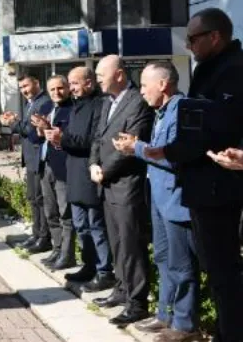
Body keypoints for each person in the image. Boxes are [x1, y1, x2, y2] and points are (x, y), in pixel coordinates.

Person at [145, 8, 243, 341]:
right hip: (204, 188)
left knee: (225, 274)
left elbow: (214, 128)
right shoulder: (209, 70)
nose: (188, 46)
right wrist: (168, 150)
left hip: (222, 189)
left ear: (214, 36)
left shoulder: (233, 72)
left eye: (193, 39)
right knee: (216, 273)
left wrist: (172, 151)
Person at [113, 61, 199, 341]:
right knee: (163, 258)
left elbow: (173, 155)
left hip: (176, 201)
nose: (142, 91)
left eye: (145, 84)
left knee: (181, 264)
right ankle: (165, 315)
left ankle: (185, 325)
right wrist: (138, 145)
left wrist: (136, 148)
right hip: (161, 201)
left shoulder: (182, 110)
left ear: (163, 84)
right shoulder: (161, 112)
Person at [89, 55, 154, 326]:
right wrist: (93, 163)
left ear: (118, 75)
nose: (97, 80)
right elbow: (98, 137)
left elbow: (131, 145)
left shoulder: (137, 102)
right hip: (106, 185)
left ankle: (137, 302)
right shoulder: (107, 102)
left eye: (101, 74)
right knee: (117, 242)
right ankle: (121, 289)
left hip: (127, 186)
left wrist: (106, 170)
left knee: (131, 244)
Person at [51, 67, 114, 289]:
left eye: (75, 83)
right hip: (74, 172)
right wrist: (58, 138)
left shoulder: (100, 105)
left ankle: (104, 270)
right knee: (80, 224)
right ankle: (89, 265)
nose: (72, 88)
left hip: (89, 173)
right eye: (70, 83)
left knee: (96, 225)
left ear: (89, 82)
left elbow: (93, 141)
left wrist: (63, 137)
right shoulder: (77, 106)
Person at [0, 74, 53, 254]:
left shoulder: (44, 102)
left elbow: (32, 132)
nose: (24, 91)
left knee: (39, 199)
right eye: (21, 88)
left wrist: (12, 123)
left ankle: (44, 238)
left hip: (39, 158)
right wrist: (15, 120)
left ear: (37, 83)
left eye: (26, 86)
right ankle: (37, 234)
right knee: (32, 198)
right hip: (30, 158)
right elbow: (26, 127)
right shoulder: (30, 103)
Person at [31, 76, 75, 271]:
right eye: (52, 89)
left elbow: (71, 138)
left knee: (66, 213)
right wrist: (41, 129)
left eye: (60, 88)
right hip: (46, 165)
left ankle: (67, 254)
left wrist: (50, 129)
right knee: (51, 211)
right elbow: (39, 137)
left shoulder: (72, 109)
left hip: (63, 168)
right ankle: (57, 249)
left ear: (68, 88)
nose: (56, 92)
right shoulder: (49, 109)